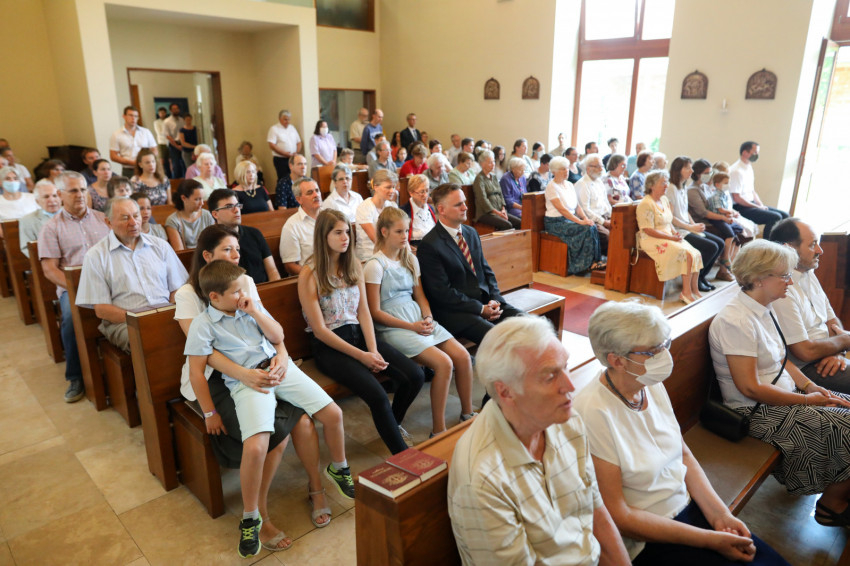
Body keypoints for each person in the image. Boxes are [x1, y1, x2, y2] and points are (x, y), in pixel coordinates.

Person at [578, 301, 790, 566]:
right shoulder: (592, 412)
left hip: (689, 506)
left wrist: (721, 516)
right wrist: (709, 539)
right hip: (649, 536)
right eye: (653, 351)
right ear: (617, 360)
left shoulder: (648, 383)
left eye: (664, 345)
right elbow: (620, 516)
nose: (664, 356)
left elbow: (684, 456)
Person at [174, 225, 330, 552]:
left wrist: (282, 357)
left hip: (258, 366)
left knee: (303, 420)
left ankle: (317, 488)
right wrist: (244, 376)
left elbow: (266, 329)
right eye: (228, 250)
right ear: (207, 256)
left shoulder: (242, 280)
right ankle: (259, 516)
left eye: (237, 249)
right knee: (271, 435)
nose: (237, 255)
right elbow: (205, 354)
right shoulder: (188, 293)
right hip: (218, 378)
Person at [448, 316, 631, 566]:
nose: (569, 386)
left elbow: (597, 513)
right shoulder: (483, 479)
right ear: (505, 391)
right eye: (550, 376)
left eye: (565, 367)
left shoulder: (568, 421)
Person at [709, 239, 850, 528]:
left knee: (845, 407)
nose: (790, 282)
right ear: (759, 278)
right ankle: (831, 505)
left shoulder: (764, 307)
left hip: (784, 395)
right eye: (784, 275)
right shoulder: (736, 320)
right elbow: (750, 388)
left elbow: (782, 358)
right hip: (756, 412)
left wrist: (809, 386)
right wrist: (806, 400)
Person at [298, 209, 424, 453]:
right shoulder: (309, 273)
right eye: (338, 233)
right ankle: (403, 456)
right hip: (330, 346)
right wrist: (363, 356)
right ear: (323, 236)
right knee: (377, 396)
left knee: (414, 376)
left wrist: (373, 350)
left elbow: (363, 312)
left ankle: (392, 425)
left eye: (347, 232)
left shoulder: (353, 264)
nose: (345, 237)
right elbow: (320, 330)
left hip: (360, 336)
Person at [366, 207, 475, 436]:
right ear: (384, 232)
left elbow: (421, 296)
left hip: (416, 318)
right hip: (392, 326)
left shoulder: (410, 259)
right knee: (444, 363)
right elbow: (374, 311)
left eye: (406, 231)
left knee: (463, 357)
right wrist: (411, 326)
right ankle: (438, 430)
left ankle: (467, 413)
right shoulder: (375, 265)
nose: (404, 236)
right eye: (398, 232)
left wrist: (427, 317)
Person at [76, 197, 187, 352]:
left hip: (166, 314)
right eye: (125, 218)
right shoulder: (96, 256)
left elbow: (178, 288)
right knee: (151, 338)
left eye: (136, 216)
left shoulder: (160, 246)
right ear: (108, 222)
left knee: (197, 328)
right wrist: (142, 319)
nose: (134, 223)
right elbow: (102, 309)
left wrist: (167, 314)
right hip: (125, 323)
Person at [417, 183, 522, 345]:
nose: (465, 207)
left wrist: (495, 299)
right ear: (442, 209)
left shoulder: (470, 232)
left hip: (485, 302)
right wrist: (480, 309)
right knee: (500, 339)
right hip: (456, 312)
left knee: (530, 324)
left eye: (464, 202)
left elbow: (486, 271)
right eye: (458, 204)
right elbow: (442, 292)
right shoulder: (430, 245)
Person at [38, 171, 111, 402]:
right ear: (60, 194)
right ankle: (75, 376)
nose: (79, 195)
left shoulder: (103, 219)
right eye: (73, 191)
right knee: (70, 318)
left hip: (110, 283)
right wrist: (79, 289)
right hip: (74, 289)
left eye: (82, 189)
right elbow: (50, 270)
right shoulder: (51, 227)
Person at [770, 218, 850, 392]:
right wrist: (845, 340)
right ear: (789, 249)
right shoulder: (781, 289)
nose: (820, 250)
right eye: (813, 245)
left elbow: (832, 321)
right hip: (806, 369)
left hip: (829, 355)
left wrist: (838, 352)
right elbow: (804, 351)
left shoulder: (808, 272)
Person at [636, 171, 703, 304]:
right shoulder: (646, 204)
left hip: (667, 236)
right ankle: (685, 293)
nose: (666, 185)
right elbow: (648, 230)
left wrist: (674, 233)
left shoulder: (664, 200)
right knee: (686, 255)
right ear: (652, 186)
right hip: (651, 239)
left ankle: (695, 290)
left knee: (696, 253)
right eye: (663, 183)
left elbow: (669, 221)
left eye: (666, 182)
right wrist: (671, 238)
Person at [668, 157, 724, 292]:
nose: (691, 171)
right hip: (678, 230)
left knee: (720, 243)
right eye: (688, 168)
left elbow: (685, 210)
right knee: (711, 247)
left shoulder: (682, 187)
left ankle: (702, 276)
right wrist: (690, 227)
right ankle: (696, 279)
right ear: (678, 170)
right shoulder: (671, 188)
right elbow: (670, 217)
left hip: (687, 227)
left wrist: (694, 225)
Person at [544, 156, 603, 274]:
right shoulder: (551, 186)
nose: (566, 171)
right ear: (554, 171)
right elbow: (562, 210)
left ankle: (595, 261)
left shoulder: (570, 185)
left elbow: (577, 206)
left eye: (567, 168)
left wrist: (585, 218)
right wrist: (580, 221)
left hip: (569, 219)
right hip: (556, 222)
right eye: (562, 169)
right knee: (586, 229)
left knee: (592, 226)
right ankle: (582, 266)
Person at [209, 189, 280, 283]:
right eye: (229, 206)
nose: (236, 210)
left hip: (263, 288)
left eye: (237, 205)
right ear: (215, 214)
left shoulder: (255, 233)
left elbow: (272, 270)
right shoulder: (210, 240)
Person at [687, 159, 737, 281]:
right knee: (721, 240)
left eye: (710, 172)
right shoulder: (692, 190)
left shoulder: (705, 187)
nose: (709, 175)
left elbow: (714, 206)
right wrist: (723, 217)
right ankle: (701, 276)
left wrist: (727, 215)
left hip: (711, 221)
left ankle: (722, 270)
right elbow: (703, 212)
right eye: (706, 173)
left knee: (737, 232)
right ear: (697, 173)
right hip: (702, 223)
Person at [729, 141, 788, 239]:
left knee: (785, 215)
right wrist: (756, 206)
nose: (757, 155)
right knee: (775, 217)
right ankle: (767, 244)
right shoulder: (736, 171)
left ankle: (779, 243)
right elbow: (737, 198)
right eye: (755, 152)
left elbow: (752, 190)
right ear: (745, 153)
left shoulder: (748, 167)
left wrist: (760, 204)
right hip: (741, 207)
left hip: (751, 203)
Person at [280, 177, 323, 275]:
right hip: (312, 278)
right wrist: (314, 277)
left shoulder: (330, 216)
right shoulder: (291, 226)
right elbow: (290, 266)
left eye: (317, 191)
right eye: (310, 193)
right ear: (299, 199)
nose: (316, 195)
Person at [354, 169, 398, 261]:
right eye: (388, 187)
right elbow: (377, 240)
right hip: (369, 256)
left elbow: (400, 232)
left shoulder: (392, 205)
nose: (392, 191)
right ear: (376, 187)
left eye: (393, 187)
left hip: (389, 253)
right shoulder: (365, 207)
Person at [473, 150, 520, 231]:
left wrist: (503, 210)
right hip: (485, 213)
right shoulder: (479, 179)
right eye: (490, 162)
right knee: (507, 225)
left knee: (519, 222)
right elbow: (482, 199)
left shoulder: (494, 177)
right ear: (482, 164)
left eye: (494, 161)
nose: (493, 164)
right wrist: (498, 213)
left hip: (499, 211)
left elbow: (500, 194)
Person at [574, 154, 611, 251]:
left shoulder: (599, 181)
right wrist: (604, 222)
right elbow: (585, 210)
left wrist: (612, 216)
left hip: (605, 216)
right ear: (588, 168)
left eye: (602, 166)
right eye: (597, 166)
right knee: (608, 236)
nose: (601, 169)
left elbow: (606, 202)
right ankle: (609, 259)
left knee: (623, 231)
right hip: (592, 221)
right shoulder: (582, 184)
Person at [166, 179, 215, 251]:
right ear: (183, 198)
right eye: (197, 199)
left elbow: (214, 243)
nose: (202, 203)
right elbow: (180, 252)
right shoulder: (173, 220)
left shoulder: (207, 215)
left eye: (202, 199)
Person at [109, 106, 156, 178]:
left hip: (146, 168)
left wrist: (149, 161)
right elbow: (113, 156)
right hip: (128, 170)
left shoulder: (146, 132)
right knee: (129, 185)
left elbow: (154, 150)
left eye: (136, 116)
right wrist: (132, 163)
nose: (133, 118)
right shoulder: (117, 134)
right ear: (124, 116)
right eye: (130, 115)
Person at [706, 171, 756, 239]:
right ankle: (728, 246)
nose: (728, 185)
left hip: (725, 217)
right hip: (717, 220)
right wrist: (730, 212)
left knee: (741, 230)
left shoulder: (723, 194)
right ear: (717, 185)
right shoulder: (716, 196)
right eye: (726, 183)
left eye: (729, 183)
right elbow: (721, 209)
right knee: (730, 235)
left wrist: (731, 213)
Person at [19, 179, 61, 257]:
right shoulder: (27, 220)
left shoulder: (71, 214)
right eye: (46, 197)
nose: (52, 200)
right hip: (46, 260)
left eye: (55, 196)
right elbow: (27, 249)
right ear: (37, 201)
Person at [400, 174, 435, 247]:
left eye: (427, 191)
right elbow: (399, 238)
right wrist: (408, 247)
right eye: (422, 192)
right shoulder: (403, 212)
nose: (426, 195)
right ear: (411, 193)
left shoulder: (431, 209)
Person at [267, 110, 302, 182]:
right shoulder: (274, 129)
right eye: (285, 119)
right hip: (281, 159)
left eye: (289, 119)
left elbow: (299, 142)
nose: (287, 121)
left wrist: (296, 152)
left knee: (295, 179)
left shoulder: (292, 128)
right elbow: (272, 145)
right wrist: (285, 153)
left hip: (293, 158)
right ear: (280, 119)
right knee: (283, 179)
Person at [163, 103, 185, 179]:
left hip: (183, 143)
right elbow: (167, 136)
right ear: (170, 110)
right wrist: (176, 146)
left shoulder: (182, 120)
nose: (176, 110)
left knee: (184, 163)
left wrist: (183, 144)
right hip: (173, 145)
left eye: (177, 109)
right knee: (176, 165)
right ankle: (177, 182)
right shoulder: (167, 121)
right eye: (174, 109)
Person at [153, 107, 170, 177]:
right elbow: (159, 133)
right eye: (160, 113)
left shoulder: (168, 121)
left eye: (163, 113)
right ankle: (162, 175)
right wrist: (167, 134)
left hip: (170, 142)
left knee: (170, 161)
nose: (162, 114)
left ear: (165, 113)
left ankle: (171, 176)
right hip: (161, 143)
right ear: (159, 114)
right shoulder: (156, 122)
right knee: (161, 160)